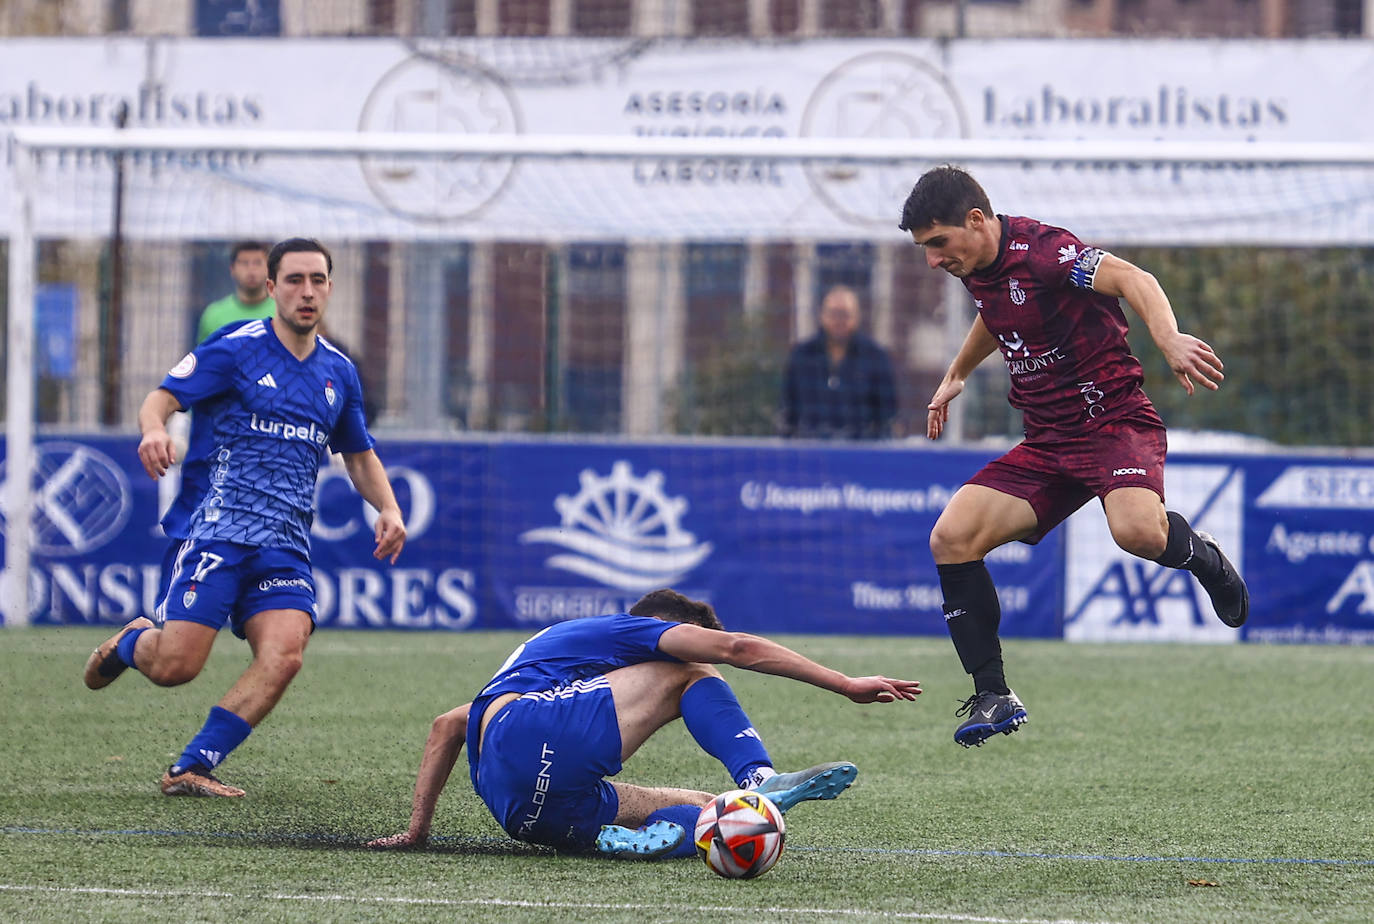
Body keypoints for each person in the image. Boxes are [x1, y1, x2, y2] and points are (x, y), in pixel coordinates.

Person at [898, 166, 1250, 748]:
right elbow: (999, 312)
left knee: (1137, 534)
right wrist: (957, 373)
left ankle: (1206, 560)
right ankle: (995, 694)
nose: (933, 260)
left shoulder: (1045, 251)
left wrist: (1168, 338)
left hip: (1113, 425)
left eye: (937, 243)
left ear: (976, 221)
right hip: (1048, 441)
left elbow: (1135, 279)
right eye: (924, 249)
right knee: (951, 538)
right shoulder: (977, 267)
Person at [83, 237, 408, 798]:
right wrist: (155, 429)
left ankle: (191, 767)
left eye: (318, 281)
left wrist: (390, 508)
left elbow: (357, 454)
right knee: (176, 666)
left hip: (284, 544)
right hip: (217, 531)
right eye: (295, 281)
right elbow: (161, 397)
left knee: (285, 653)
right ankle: (136, 643)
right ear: (273, 286)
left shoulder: (338, 372)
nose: (307, 292)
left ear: (329, 287)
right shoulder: (236, 348)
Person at [367, 589, 921, 859]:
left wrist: (418, 831)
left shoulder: (546, 662)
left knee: (708, 807)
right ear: (661, 625)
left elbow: (446, 726)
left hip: (519, 809)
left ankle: (690, 825)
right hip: (537, 735)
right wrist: (845, 684)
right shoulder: (627, 631)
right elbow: (735, 648)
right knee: (692, 674)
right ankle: (758, 779)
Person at [781, 284, 898, 439]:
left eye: (845, 314)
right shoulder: (801, 356)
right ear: (821, 315)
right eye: (833, 314)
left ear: (856, 317)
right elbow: (788, 410)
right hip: (811, 448)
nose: (839, 321)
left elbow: (887, 414)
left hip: (861, 450)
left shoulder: (876, 357)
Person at [196, 242, 275, 344]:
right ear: (232, 269)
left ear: (268, 269)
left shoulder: (282, 312)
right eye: (244, 263)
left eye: (257, 263)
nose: (251, 270)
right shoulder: (213, 315)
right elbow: (204, 357)